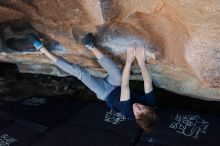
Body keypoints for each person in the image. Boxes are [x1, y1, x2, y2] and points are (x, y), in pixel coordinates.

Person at [30, 33, 158, 132]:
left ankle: (42, 49)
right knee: (118, 75)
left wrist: (129, 60)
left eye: (137, 112)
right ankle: (90, 45)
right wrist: (141, 62)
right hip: (116, 85)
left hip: (105, 93)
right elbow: (147, 81)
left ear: (135, 117)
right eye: (142, 107)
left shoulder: (128, 111)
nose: (137, 107)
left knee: (81, 73)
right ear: (149, 108)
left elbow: (126, 86)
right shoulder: (150, 101)